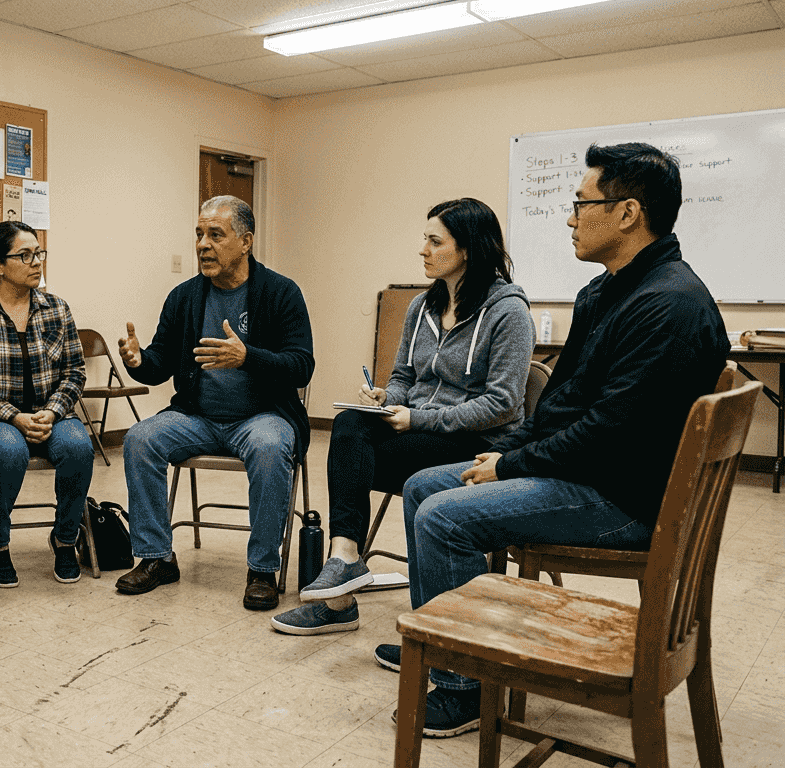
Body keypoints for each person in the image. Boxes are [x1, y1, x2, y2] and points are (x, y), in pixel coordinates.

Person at [373, 143, 729, 738]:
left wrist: (512, 465)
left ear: (627, 213)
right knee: (421, 486)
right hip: (593, 473)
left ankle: (464, 687)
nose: (569, 218)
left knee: (442, 516)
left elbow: (607, 434)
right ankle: (448, 642)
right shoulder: (606, 291)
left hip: (625, 500)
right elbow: (559, 404)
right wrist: (509, 454)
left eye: (581, 204)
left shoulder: (667, 305)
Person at [271, 199, 534, 635]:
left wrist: (417, 419)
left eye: (435, 241)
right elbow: (403, 378)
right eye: (424, 239)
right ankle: (345, 559)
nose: (423, 249)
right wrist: (384, 398)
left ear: (467, 249)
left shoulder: (509, 312)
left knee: (358, 457)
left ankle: (338, 604)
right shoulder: (422, 307)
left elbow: (502, 405)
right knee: (350, 423)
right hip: (419, 429)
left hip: (477, 443)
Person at [115, 195, 314, 611]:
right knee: (139, 439)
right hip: (197, 417)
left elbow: (301, 366)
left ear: (246, 242)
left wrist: (248, 357)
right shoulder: (184, 296)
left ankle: (262, 570)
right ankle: (156, 558)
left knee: (270, 446)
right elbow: (160, 362)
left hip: (263, 416)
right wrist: (137, 361)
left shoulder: (281, 292)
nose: (203, 244)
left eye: (215, 235)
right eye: (199, 235)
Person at [0, 221, 92, 587]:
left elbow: (75, 371)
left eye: (38, 253)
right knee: (10, 449)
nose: (36, 262)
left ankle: (65, 539)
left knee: (78, 446)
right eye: (24, 255)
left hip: (50, 414)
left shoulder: (56, 308)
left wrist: (52, 411)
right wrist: (15, 417)